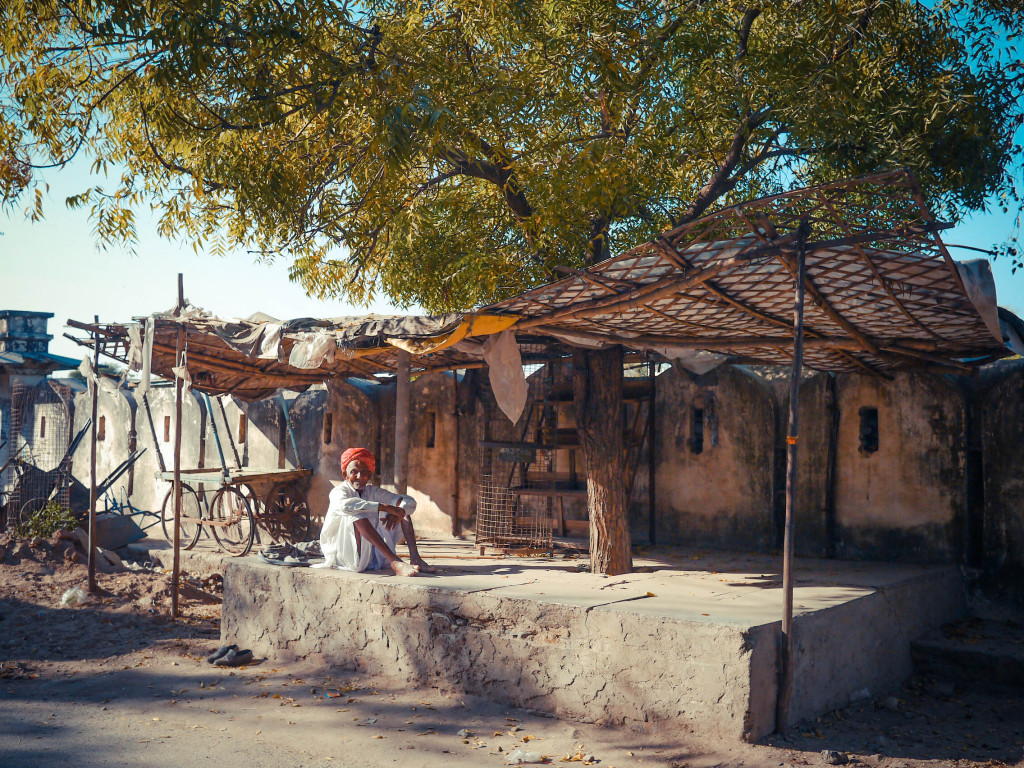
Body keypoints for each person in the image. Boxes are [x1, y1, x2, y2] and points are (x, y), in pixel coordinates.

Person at [315, 447, 436, 576]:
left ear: (370, 475)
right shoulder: (339, 492)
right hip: (346, 555)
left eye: (364, 472)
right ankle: (394, 561)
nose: (360, 477)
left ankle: (415, 558)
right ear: (345, 475)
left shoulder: (372, 491)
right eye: (354, 472)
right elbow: (346, 506)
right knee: (356, 514)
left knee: (402, 511)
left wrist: (397, 512)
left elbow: (409, 502)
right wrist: (384, 507)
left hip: (372, 556)